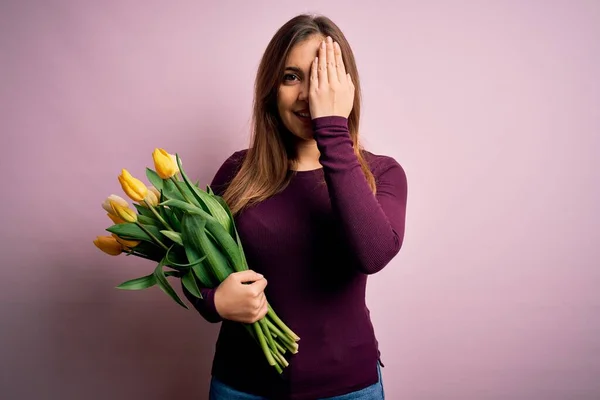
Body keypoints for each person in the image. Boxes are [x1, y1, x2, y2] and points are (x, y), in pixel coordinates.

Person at [182, 13, 408, 400]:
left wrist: (332, 129)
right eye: (292, 77)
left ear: (344, 88)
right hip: (242, 388)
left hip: (348, 389)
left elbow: (372, 254)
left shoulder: (382, 173)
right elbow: (190, 262)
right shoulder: (238, 171)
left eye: (322, 77)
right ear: (272, 88)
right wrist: (214, 302)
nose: (308, 94)